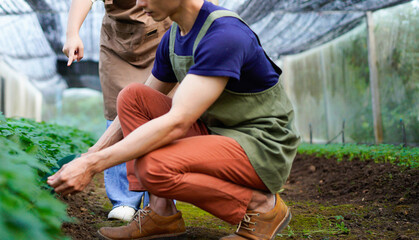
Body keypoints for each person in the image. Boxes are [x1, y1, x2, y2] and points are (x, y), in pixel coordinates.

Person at [49, 0, 301, 239]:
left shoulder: (224, 35)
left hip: (261, 145)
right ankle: (162, 214)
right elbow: (145, 98)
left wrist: (93, 166)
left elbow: (177, 121)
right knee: (133, 97)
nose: (138, 4)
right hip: (218, 131)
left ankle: (263, 207)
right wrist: (89, 155)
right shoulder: (174, 37)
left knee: (155, 168)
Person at [62, 0, 171, 221]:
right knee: (118, 110)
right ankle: (124, 199)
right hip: (119, 43)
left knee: (163, 113)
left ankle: (161, 201)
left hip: (164, 36)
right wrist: (72, 34)